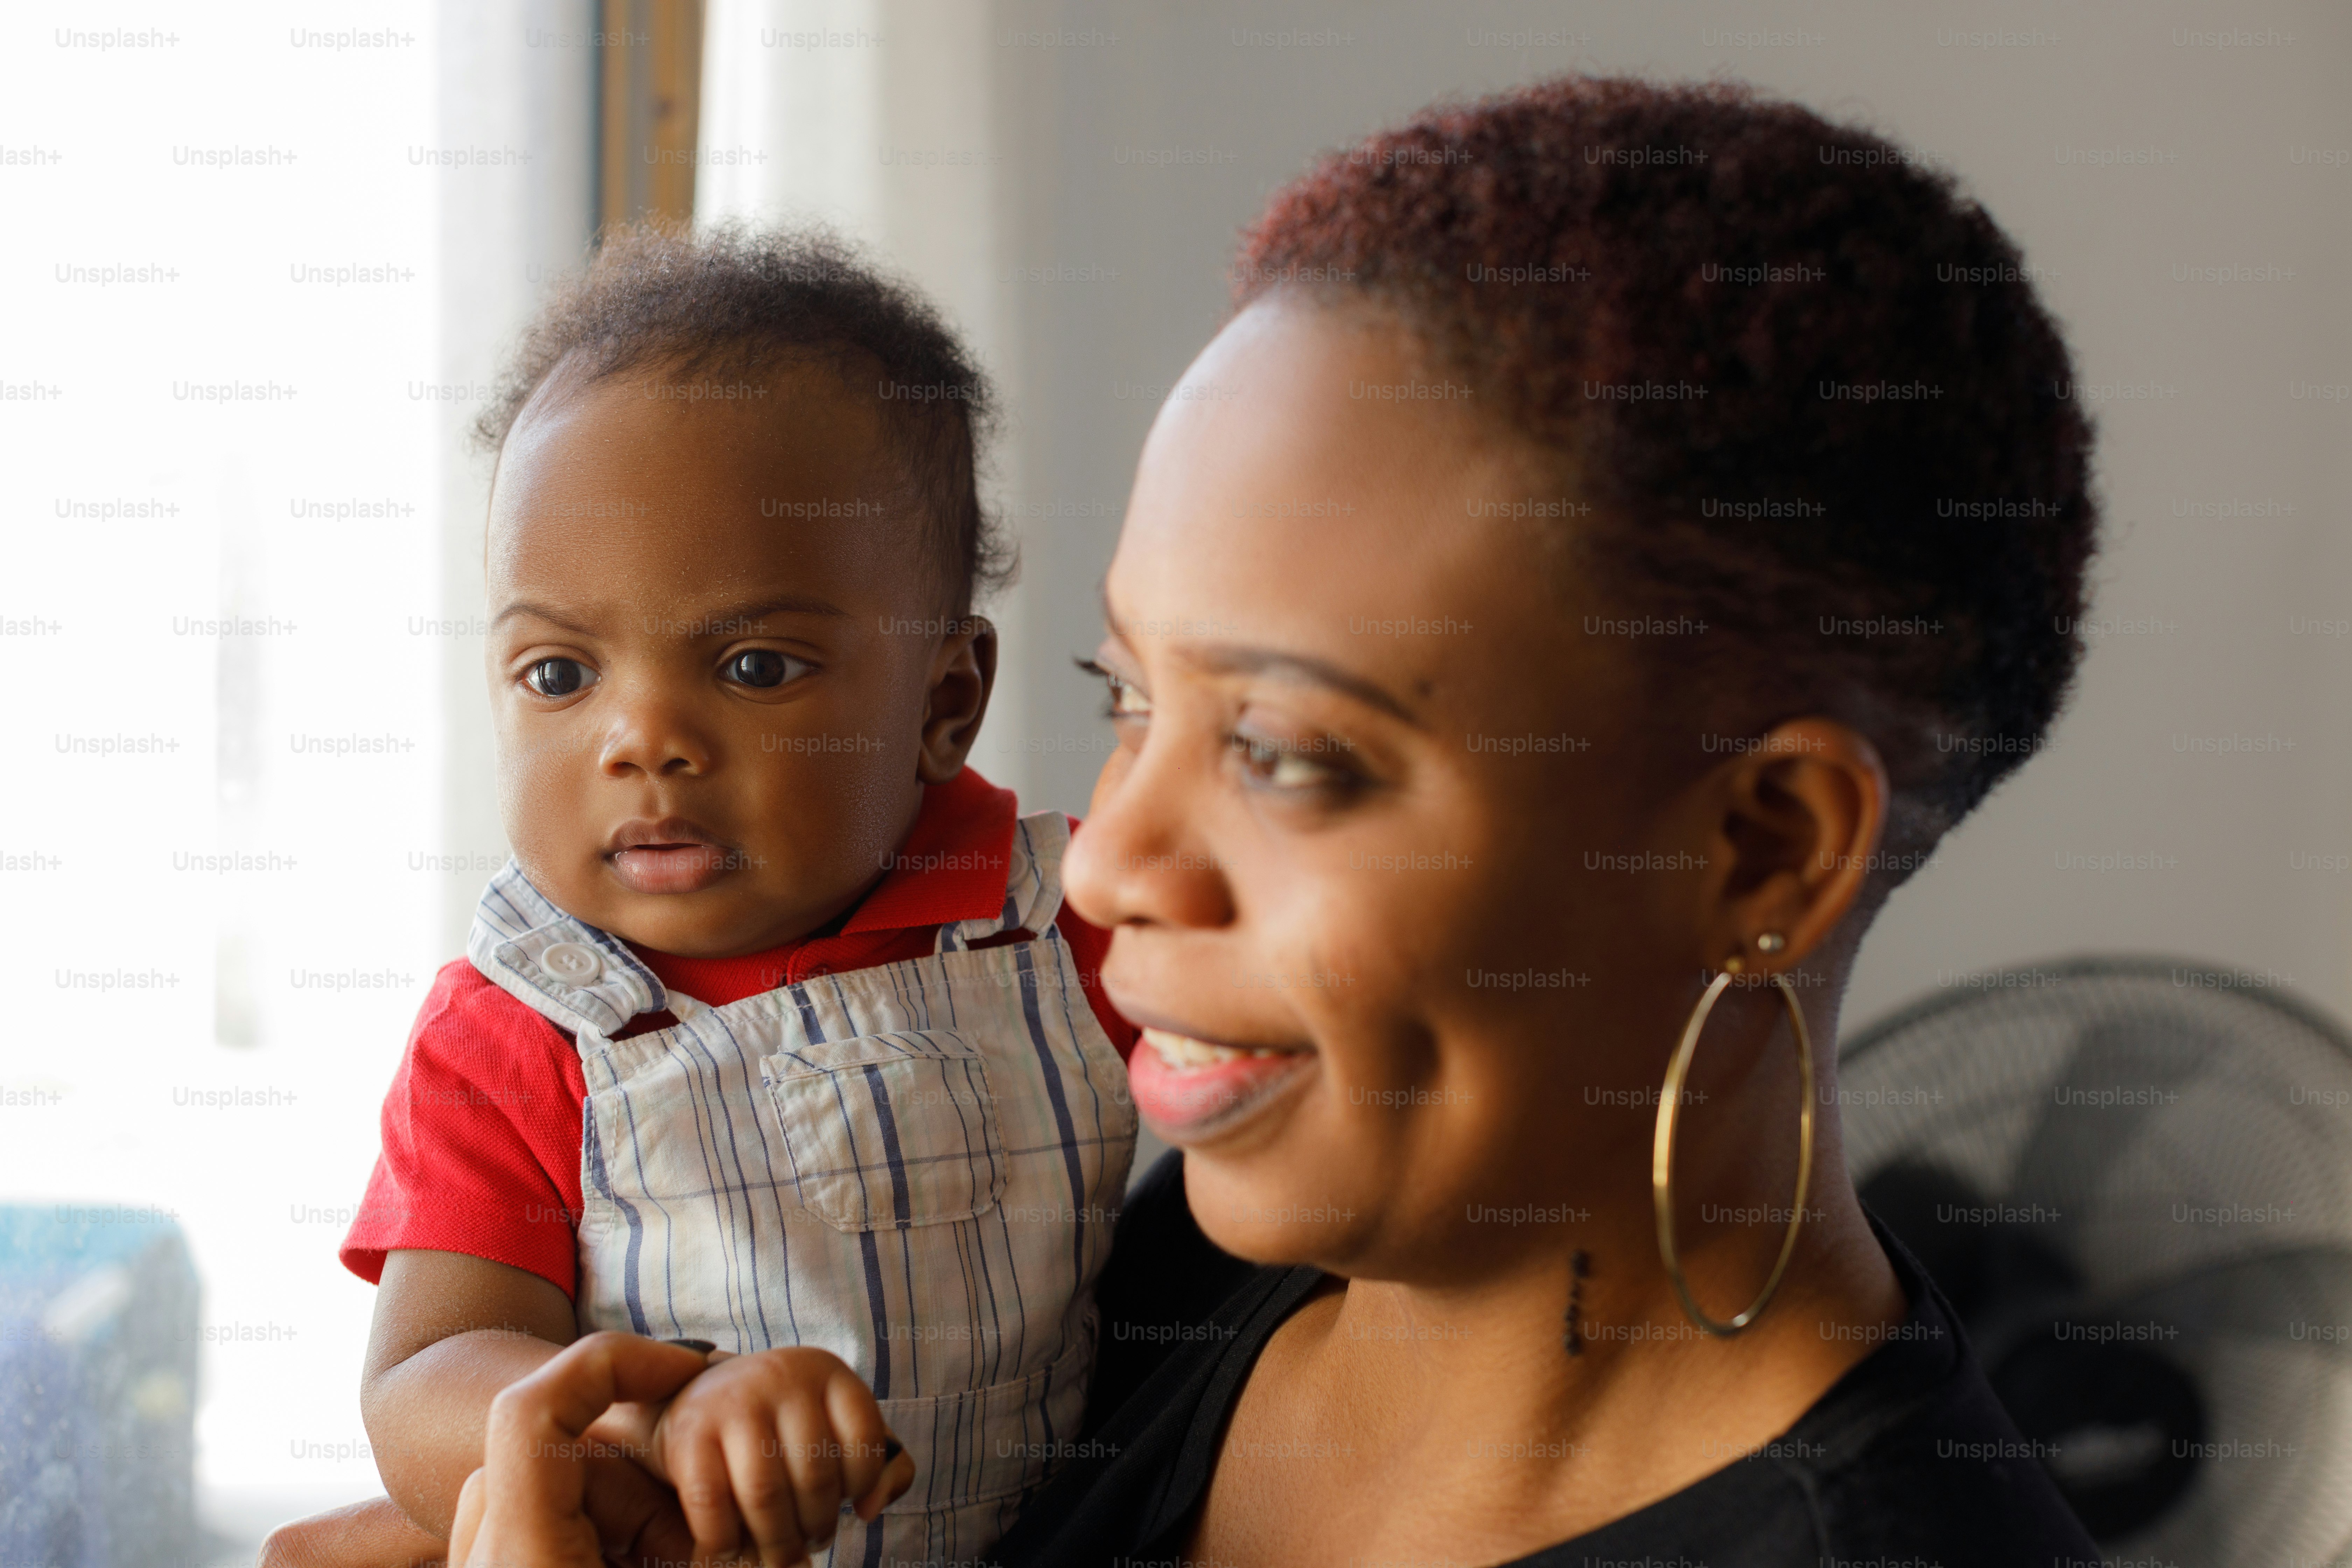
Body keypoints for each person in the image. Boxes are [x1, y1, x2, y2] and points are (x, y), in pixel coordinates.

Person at [990, 76, 2105, 1566]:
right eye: (1129, 695)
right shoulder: (1188, 1261)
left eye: (1284, 753)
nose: (1107, 861)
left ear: (1765, 851)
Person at [313, 225, 1138, 1568]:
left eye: (754, 667)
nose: (641, 740)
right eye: (560, 675)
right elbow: (421, 1381)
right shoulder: (521, 1031)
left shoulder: (1064, 922)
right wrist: (647, 1416)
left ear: (945, 703)